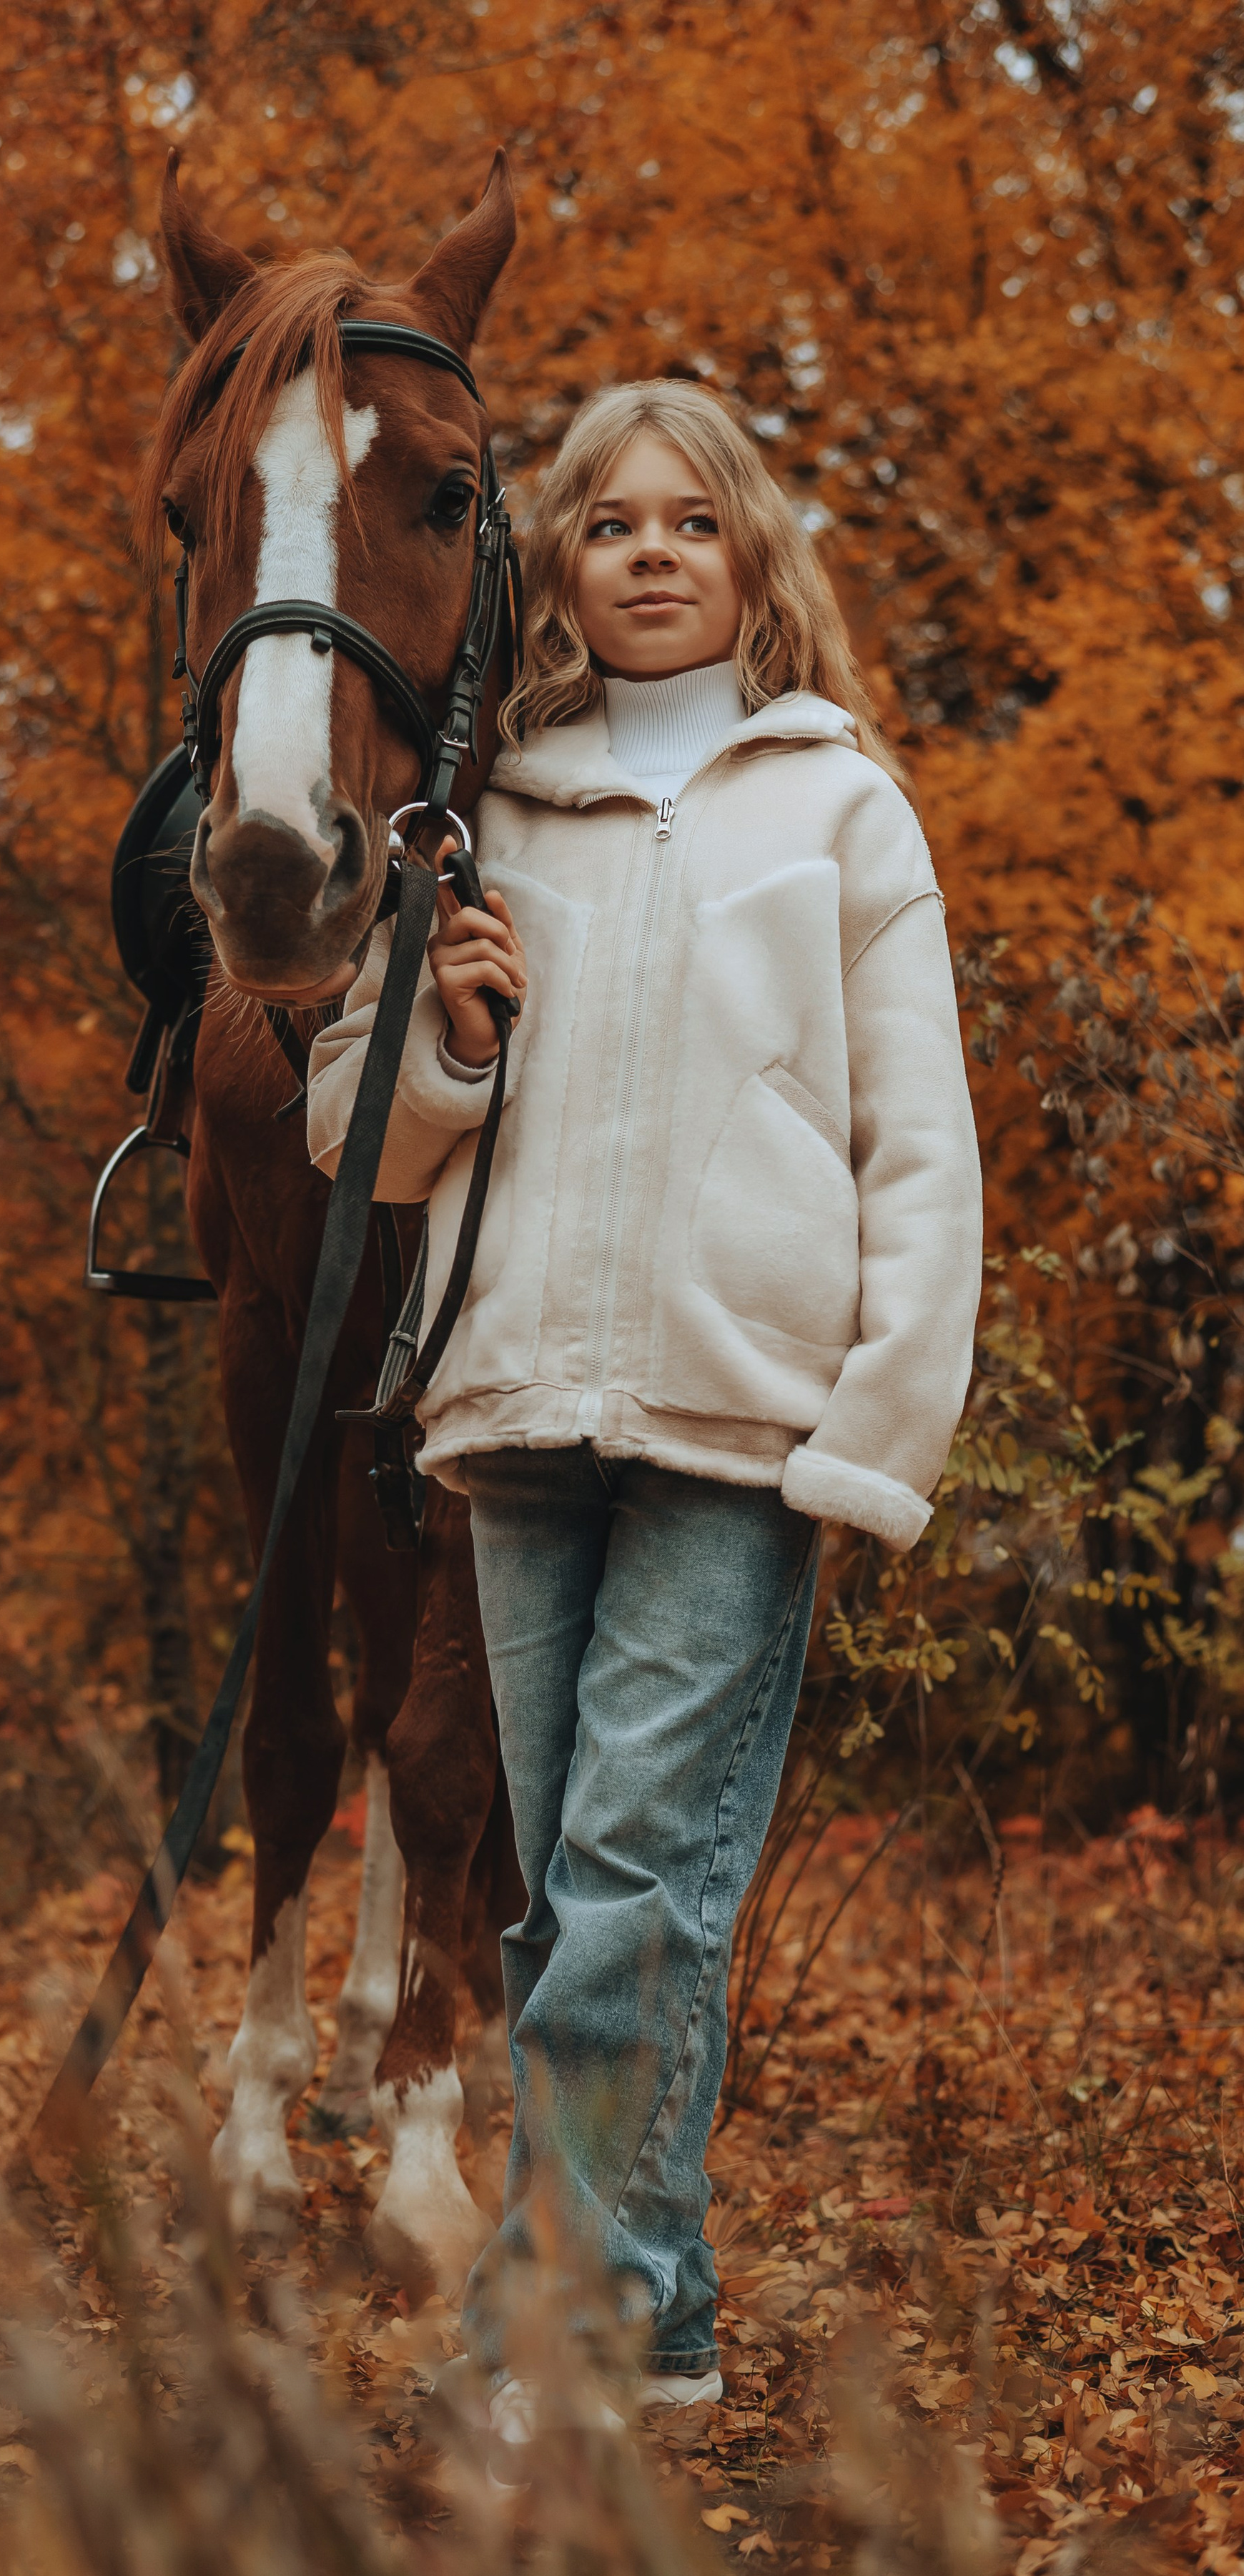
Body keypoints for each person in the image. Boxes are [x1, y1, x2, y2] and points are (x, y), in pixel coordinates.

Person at [307, 378, 982, 2466]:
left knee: (619, 1887)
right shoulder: (487, 814)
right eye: (615, 523)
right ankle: (661, 2337)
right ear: (566, 573)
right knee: (566, 1900)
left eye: (701, 519)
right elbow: (360, 1138)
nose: (660, 550)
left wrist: (877, 1435)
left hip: (741, 1431)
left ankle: (566, 2344)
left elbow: (921, 1154)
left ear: (754, 556)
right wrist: (447, 1026)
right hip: (521, 1413)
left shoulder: (842, 806)